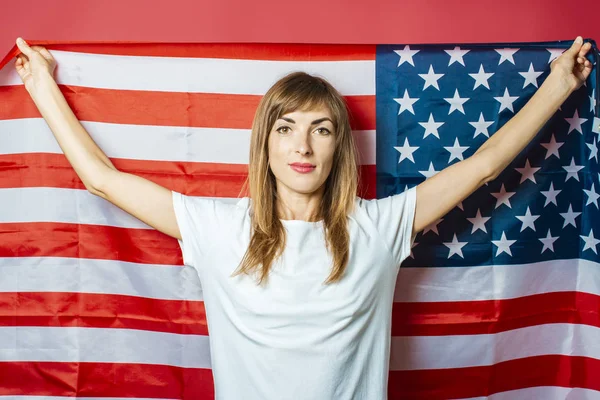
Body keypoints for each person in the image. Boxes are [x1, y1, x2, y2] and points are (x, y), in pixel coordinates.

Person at [14, 36, 593, 399]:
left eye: (321, 129)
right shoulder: (218, 227)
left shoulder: (379, 227)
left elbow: (484, 166)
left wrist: (557, 87)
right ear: (265, 146)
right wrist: (39, 87)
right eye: (286, 128)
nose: (303, 146)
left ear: (339, 146)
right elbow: (102, 180)